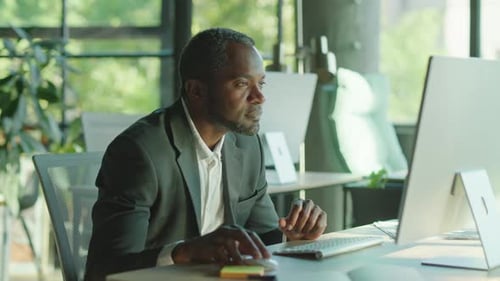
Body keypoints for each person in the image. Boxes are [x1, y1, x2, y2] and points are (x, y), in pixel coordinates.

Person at [84, 27, 327, 281]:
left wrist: (292, 237)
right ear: (196, 91)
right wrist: (182, 252)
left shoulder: (247, 146)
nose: (260, 97)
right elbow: (106, 270)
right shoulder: (140, 152)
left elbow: (265, 237)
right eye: (242, 84)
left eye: (261, 83)